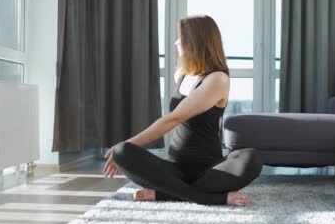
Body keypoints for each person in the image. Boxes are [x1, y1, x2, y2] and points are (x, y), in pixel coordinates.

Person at [103, 15, 263, 207]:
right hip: (174, 169)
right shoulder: (181, 75)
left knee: (252, 158)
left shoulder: (218, 79)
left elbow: (174, 118)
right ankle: (209, 197)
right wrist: (124, 148)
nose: (177, 42)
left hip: (211, 170)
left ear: (195, 41)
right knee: (122, 152)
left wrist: (130, 141)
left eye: (181, 37)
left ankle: (167, 194)